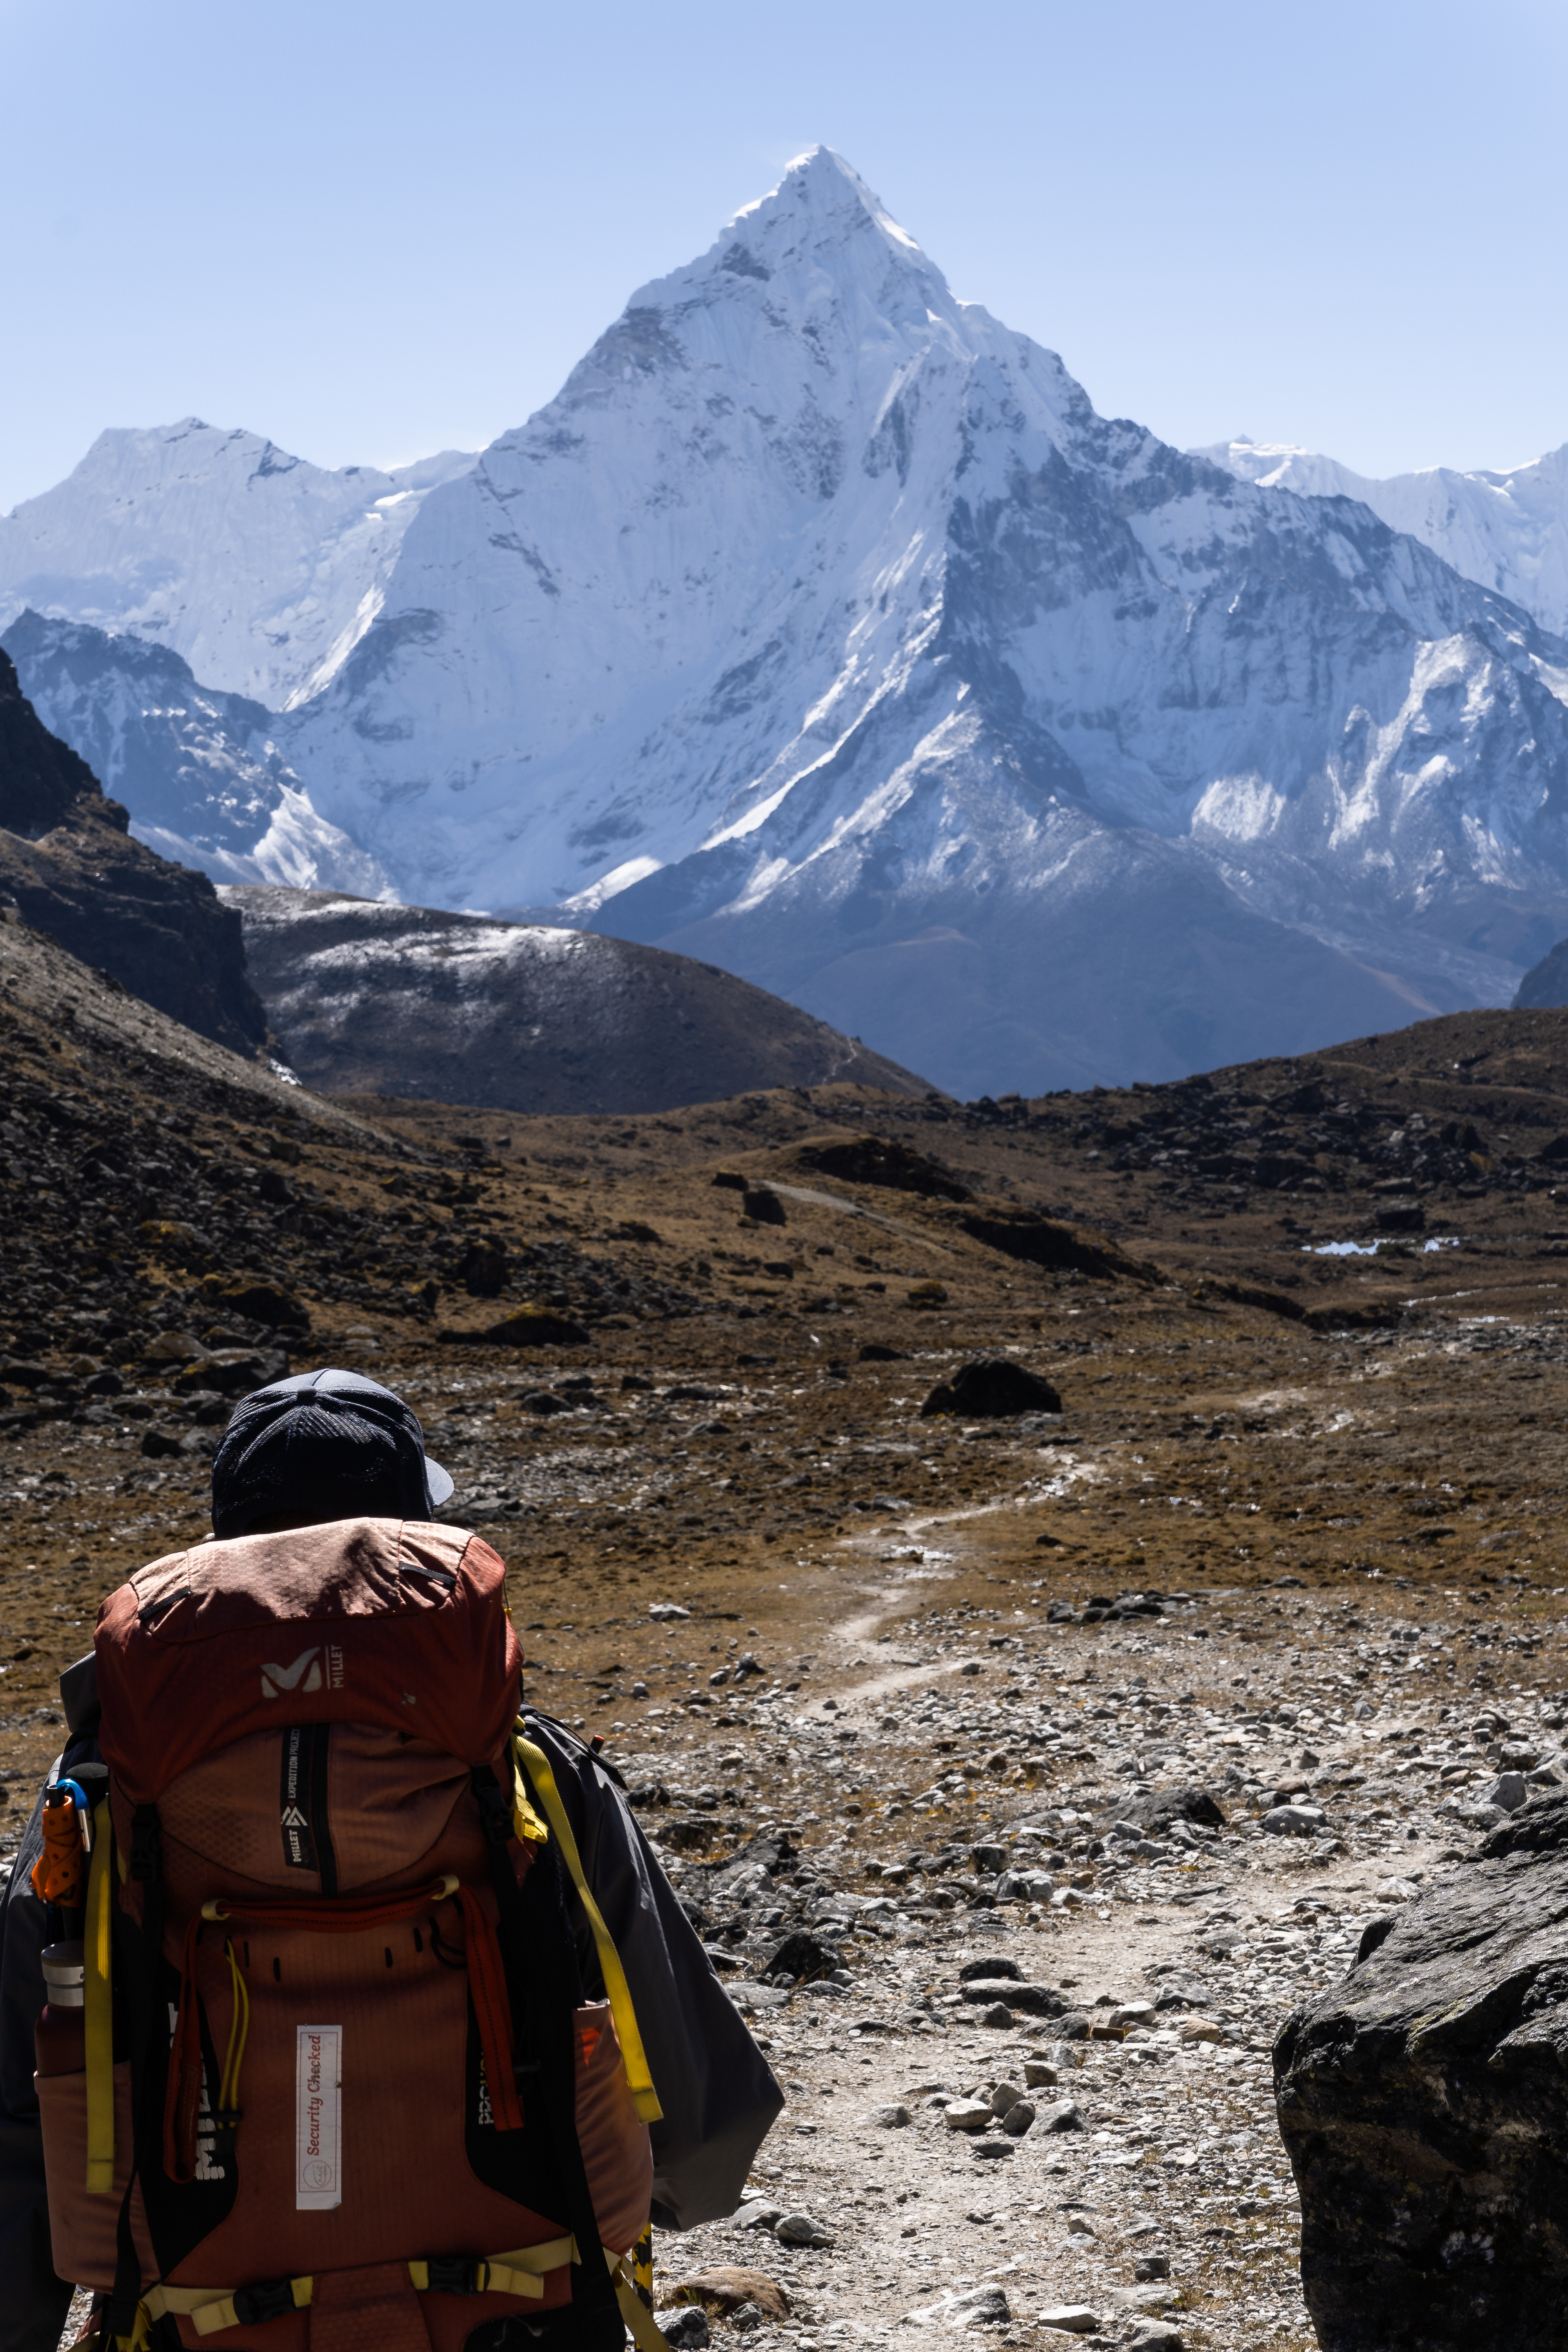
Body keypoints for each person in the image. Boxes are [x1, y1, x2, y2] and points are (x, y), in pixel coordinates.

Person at [0, 1368, 780, 2351]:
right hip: (524, 2314)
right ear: (413, 1532)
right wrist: (654, 2198)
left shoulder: (102, 1790)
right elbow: (703, 2116)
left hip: (197, 2319)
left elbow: (16, 2107)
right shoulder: (531, 1771)